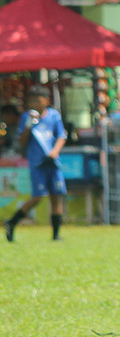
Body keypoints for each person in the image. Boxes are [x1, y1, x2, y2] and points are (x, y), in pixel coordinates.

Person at [4, 85, 68, 242]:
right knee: (38, 197)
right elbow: (21, 142)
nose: (35, 104)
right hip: (37, 163)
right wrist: (28, 126)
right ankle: (12, 222)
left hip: (52, 161)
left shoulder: (54, 116)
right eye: (32, 101)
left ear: (46, 100)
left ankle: (56, 235)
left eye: (38, 101)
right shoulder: (27, 117)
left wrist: (55, 152)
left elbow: (61, 136)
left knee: (56, 196)